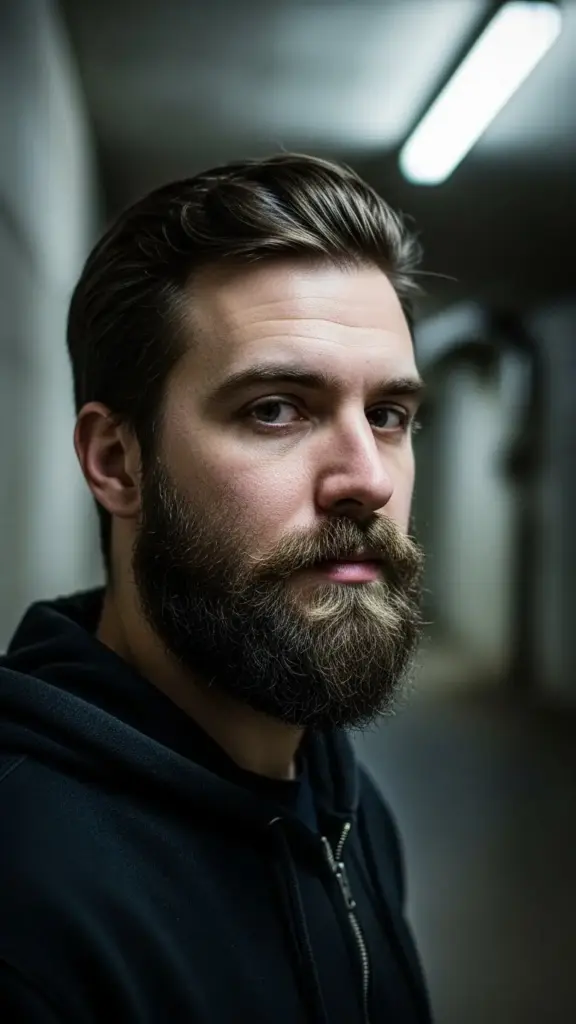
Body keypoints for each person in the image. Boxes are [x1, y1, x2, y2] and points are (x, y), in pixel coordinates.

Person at [0, 153, 432, 1023]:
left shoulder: (345, 804)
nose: (367, 479)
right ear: (117, 461)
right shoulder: (25, 898)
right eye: (276, 408)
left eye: (387, 415)